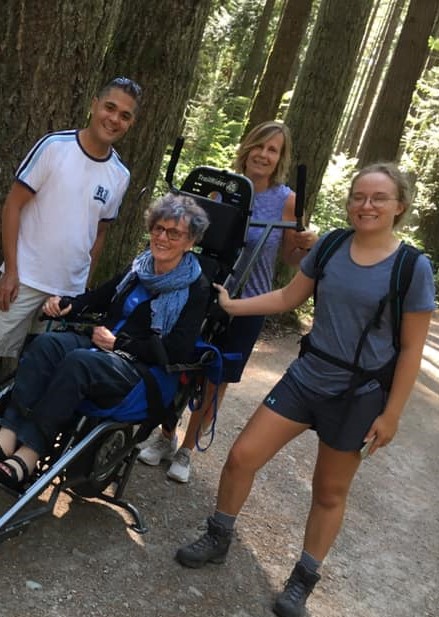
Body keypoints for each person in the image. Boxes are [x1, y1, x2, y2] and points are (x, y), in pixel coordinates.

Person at [175, 163, 435, 617]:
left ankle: (302, 579)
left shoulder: (412, 268)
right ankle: (219, 536)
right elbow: (288, 297)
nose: (366, 205)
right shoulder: (333, 246)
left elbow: (412, 347)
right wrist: (233, 306)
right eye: (358, 196)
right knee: (242, 456)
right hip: (307, 374)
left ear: (400, 207)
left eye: (378, 198)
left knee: (329, 492)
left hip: (360, 393)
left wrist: (391, 414)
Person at [138, 120, 318, 482]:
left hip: (251, 300)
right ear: (248, 147)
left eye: (273, 150)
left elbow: (289, 260)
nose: (264, 155)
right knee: (180, 362)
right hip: (203, 292)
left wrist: (304, 244)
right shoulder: (225, 188)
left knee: (217, 376)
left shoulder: (286, 200)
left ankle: (188, 449)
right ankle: (166, 436)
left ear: (281, 158)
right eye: (260, 146)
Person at [0, 193, 210, 491]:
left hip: (140, 369)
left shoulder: (196, 288)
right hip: (101, 349)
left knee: (78, 363)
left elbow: (176, 350)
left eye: (174, 233)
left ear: (191, 241)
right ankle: (7, 433)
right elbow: (102, 295)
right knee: (46, 345)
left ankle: (31, 451)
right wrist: (67, 304)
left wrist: (120, 343)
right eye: (158, 229)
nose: (162, 237)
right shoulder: (141, 266)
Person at [0, 76, 142, 376]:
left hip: (65, 295)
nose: (114, 119)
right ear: (94, 105)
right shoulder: (55, 146)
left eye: (125, 115)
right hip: (23, 279)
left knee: (32, 372)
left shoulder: (119, 175)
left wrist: (80, 296)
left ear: (131, 124)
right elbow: (13, 205)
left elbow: (99, 234)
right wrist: (10, 271)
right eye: (110, 107)